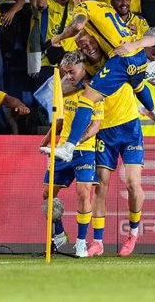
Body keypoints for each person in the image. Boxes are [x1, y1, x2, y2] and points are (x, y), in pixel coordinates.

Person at [47, 0, 155, 163]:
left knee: (87, 99)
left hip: (122, 58)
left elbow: (76, 25)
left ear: (79, 1)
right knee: (138, 85)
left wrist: (58, 37)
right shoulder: (106, 8)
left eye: (75, 3)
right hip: (138, 55)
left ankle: (68, 147)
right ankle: (151, 110)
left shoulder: (84, 7)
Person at [73, 31, 155, 257]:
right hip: (104, 130)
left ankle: (133, 234)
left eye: (90, 42)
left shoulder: (118, 53)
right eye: (82, 45)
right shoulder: (84, 70)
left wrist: (136, 44)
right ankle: (98, 242)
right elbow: (65, 83)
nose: (88, 47)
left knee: (132, 183)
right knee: (101, 186)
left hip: (129, 127)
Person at [39, 51, 102, 257]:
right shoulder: (64, 93)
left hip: (84, 150)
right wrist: (48, 139)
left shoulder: (94, 92)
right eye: (65, 73)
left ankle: (81, 243)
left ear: (83, 69)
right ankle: (59, 234)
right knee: (48, 195)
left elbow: (95, 126)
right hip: (61, 150)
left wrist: (75, 143)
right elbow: (60, 120)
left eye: (71, 72)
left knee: (84, 193)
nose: (68, 76)